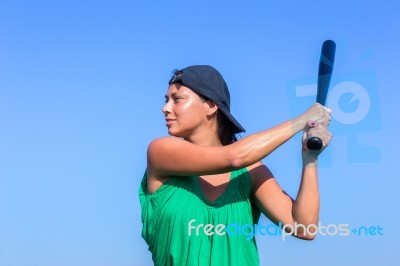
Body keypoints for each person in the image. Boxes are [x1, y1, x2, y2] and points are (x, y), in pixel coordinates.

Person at [139, 65, 332, 266]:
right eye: (166, 100)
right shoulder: (160, 152)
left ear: (211, 106)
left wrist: (310, 158)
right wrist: (302, 120)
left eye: (177, 99)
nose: (166, 108)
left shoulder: (251, 172)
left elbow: (304, 228)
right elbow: (235, 157)